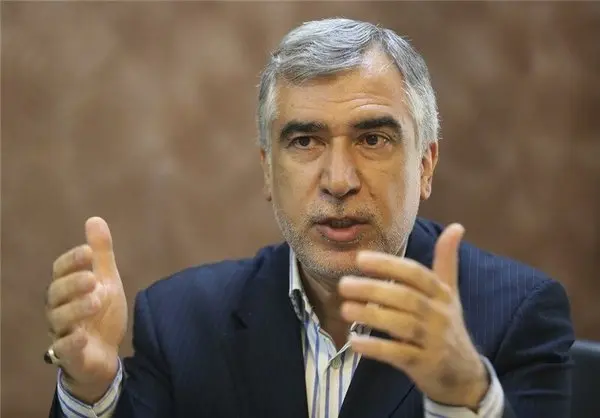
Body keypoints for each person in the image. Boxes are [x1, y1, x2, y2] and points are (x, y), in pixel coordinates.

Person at [45, 18, 574, 418]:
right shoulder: (181, 320)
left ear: (426, 164)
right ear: (267, 171)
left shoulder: (517, 314)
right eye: (304, 141)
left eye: (373, 139)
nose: (339, 179)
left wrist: (463, 396)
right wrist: (92, 389)